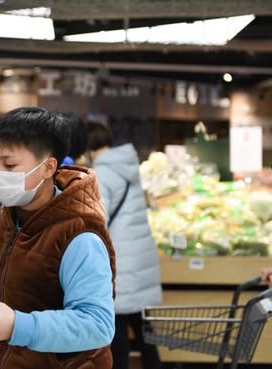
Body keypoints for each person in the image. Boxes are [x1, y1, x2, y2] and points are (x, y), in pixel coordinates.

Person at [0, 107, 116, 369]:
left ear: (48, 167)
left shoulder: (80, 236)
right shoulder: (3, 224)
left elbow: (98, 325)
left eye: (10, 164)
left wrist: (18, 325)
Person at [86, 122, 162, 369]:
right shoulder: (126, 166)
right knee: (142, 326)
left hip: (121, 257)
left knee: (117, 326)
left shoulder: (103, 172)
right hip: (138, 256)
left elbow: (99, 217)